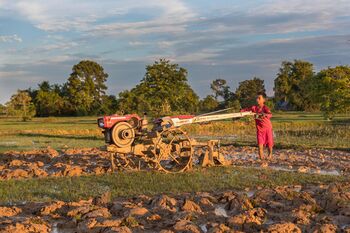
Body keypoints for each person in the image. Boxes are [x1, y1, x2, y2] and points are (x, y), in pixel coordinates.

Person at [241, 93, 273, 160]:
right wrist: (242, 111)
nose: (257, 99)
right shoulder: (254, 108)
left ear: (263, 100)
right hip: (259, 130)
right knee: (260, 145)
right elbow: (247, 110)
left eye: (259, 98)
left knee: (269, 144)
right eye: (257, 98)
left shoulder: (265, 108)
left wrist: (264, 114)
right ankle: (261, 158)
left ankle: (269, 155)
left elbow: (270, 114)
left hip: (267, 128)